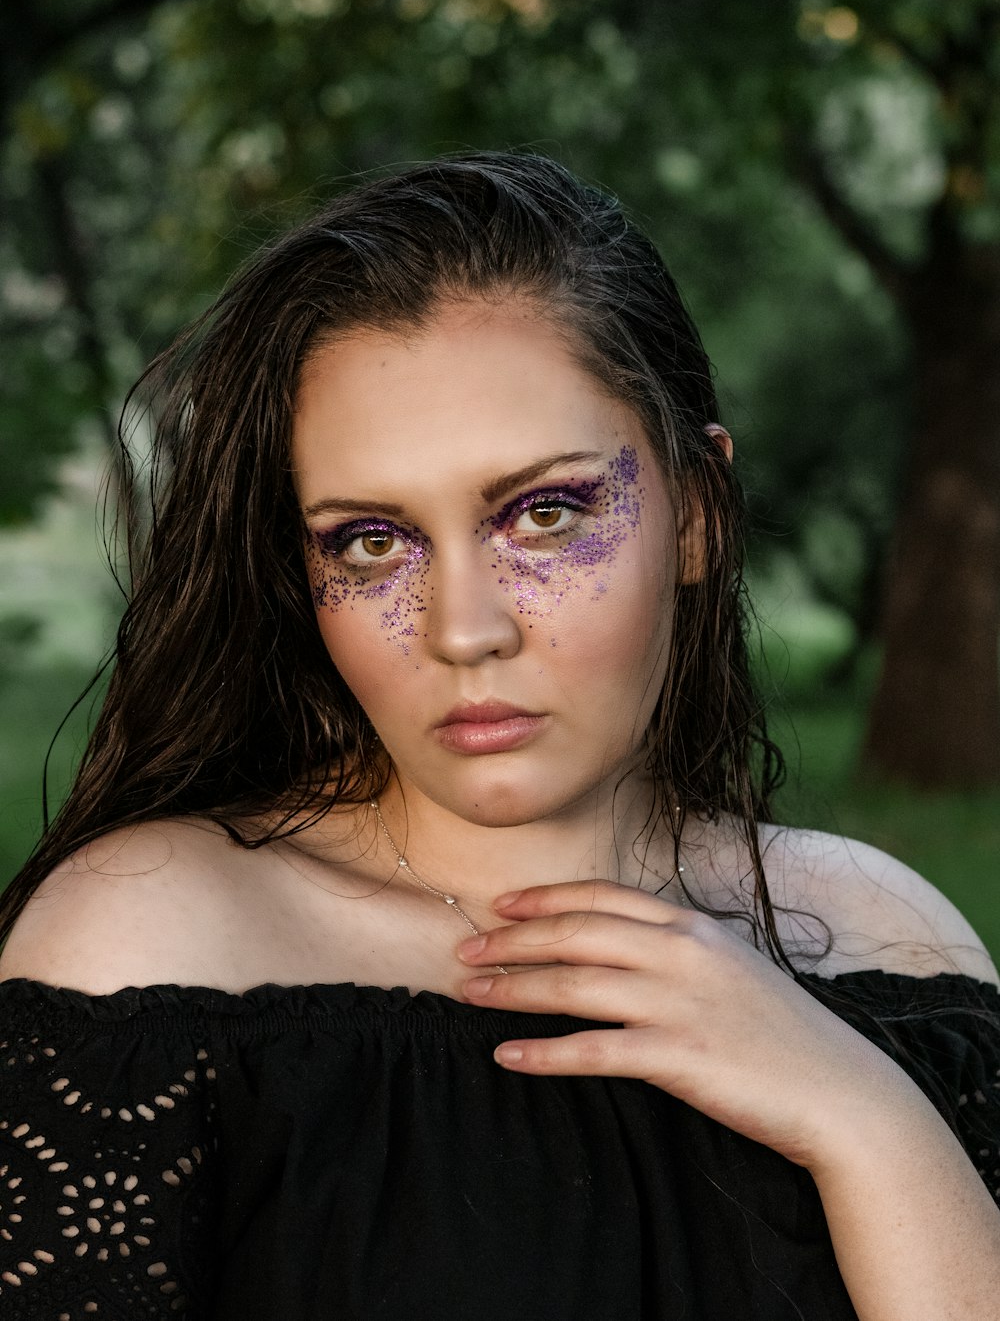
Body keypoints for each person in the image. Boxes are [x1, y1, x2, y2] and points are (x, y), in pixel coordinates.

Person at [0, 152, 997, 1321]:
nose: (462, 630)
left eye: (546, 512)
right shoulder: (158, 946)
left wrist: (868, 1122)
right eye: (370, 541)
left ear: (698, 516)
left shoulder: (893, 945)